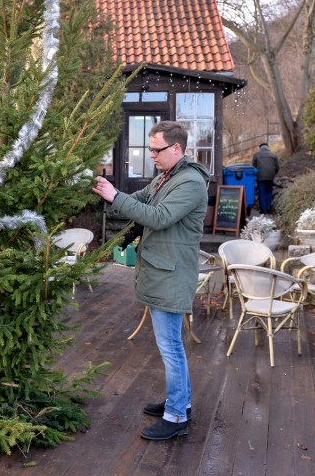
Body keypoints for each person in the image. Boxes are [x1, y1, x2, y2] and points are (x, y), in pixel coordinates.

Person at [91, 120, 208, 441]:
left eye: (157, 150)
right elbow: (141, 200)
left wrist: (114, 196)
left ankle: (176, 416)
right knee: (169, 344)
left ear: (177, 148)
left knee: (170, 346)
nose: (151, 155)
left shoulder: (191, 184)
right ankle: (179, 401)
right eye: (150, 149)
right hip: (161, 271)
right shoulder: (165, 177)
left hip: (172, 274)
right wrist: (107, 191)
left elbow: (159, 217)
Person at [252, 143, 279, 214]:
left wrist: (256, 174)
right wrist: (273, 174)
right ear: (267, 147)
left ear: (260, 148)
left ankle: (263, 210)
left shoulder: (256, 155)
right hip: (270, 176)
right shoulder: (273, 155)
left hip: (260, 176)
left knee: (262, 193)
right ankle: (268, 208)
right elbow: (277, 167)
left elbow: (253, 166)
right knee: (269, 192)